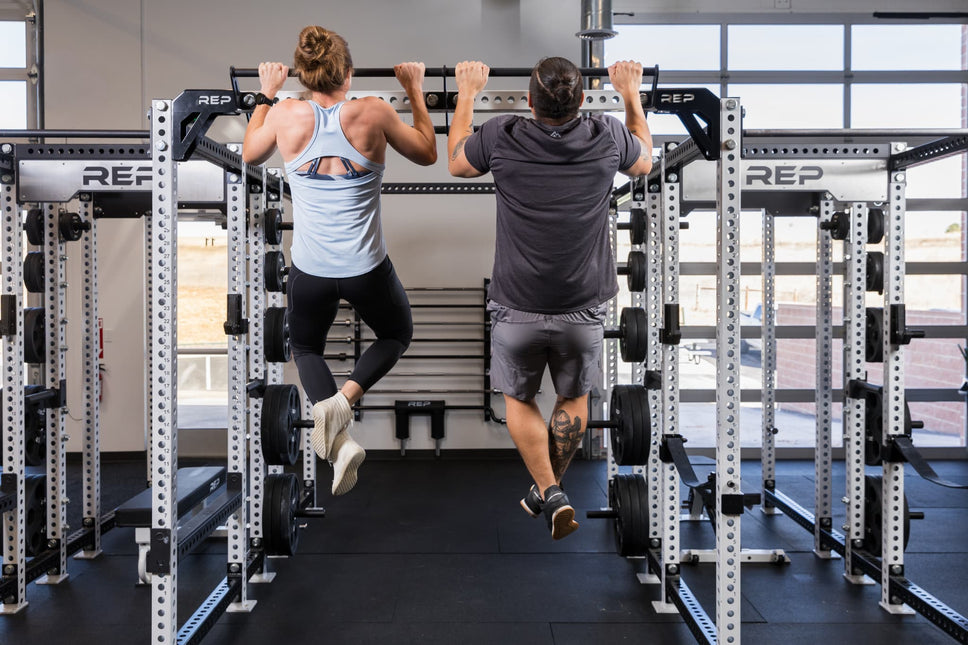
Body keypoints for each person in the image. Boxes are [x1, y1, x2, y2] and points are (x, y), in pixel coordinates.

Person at [447, 58, 652, 539]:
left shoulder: (502, 133)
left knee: (517, 398)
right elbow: (645, 160)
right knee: (574, 396)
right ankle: (549, 487)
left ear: (528, 101)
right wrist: (630, 94)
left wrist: (467, 93)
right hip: (581, 307)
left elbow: (456, 161)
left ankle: (550, 491)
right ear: (582, 101)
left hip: (516, 304)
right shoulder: (606, 134)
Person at [242, 26, 437, 496]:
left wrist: (265, 92)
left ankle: (338, 429)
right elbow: (429, 152)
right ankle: (342, 412)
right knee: (396, 333)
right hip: (366, 267)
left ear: (304, 77)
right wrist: (414, 89)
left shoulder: (286, 114)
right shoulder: (375, 112)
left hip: (310, 270)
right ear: (348, 74)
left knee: (305, 349)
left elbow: (250, 152)